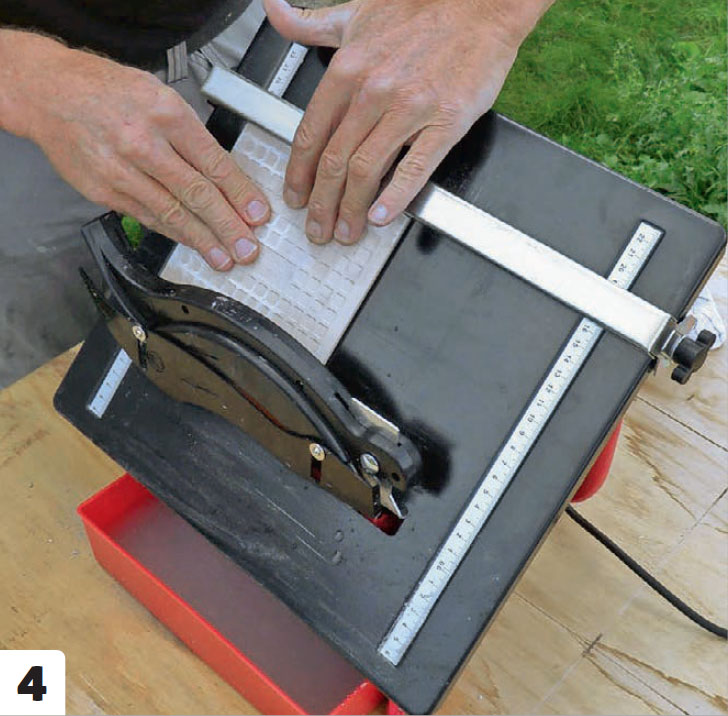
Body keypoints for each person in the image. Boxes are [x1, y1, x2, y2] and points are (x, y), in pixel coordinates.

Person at [0, 0, 722, 387]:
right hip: (21, 89)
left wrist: (481, 12)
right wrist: (32, 81)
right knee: (50, 402)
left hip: (236, 23)